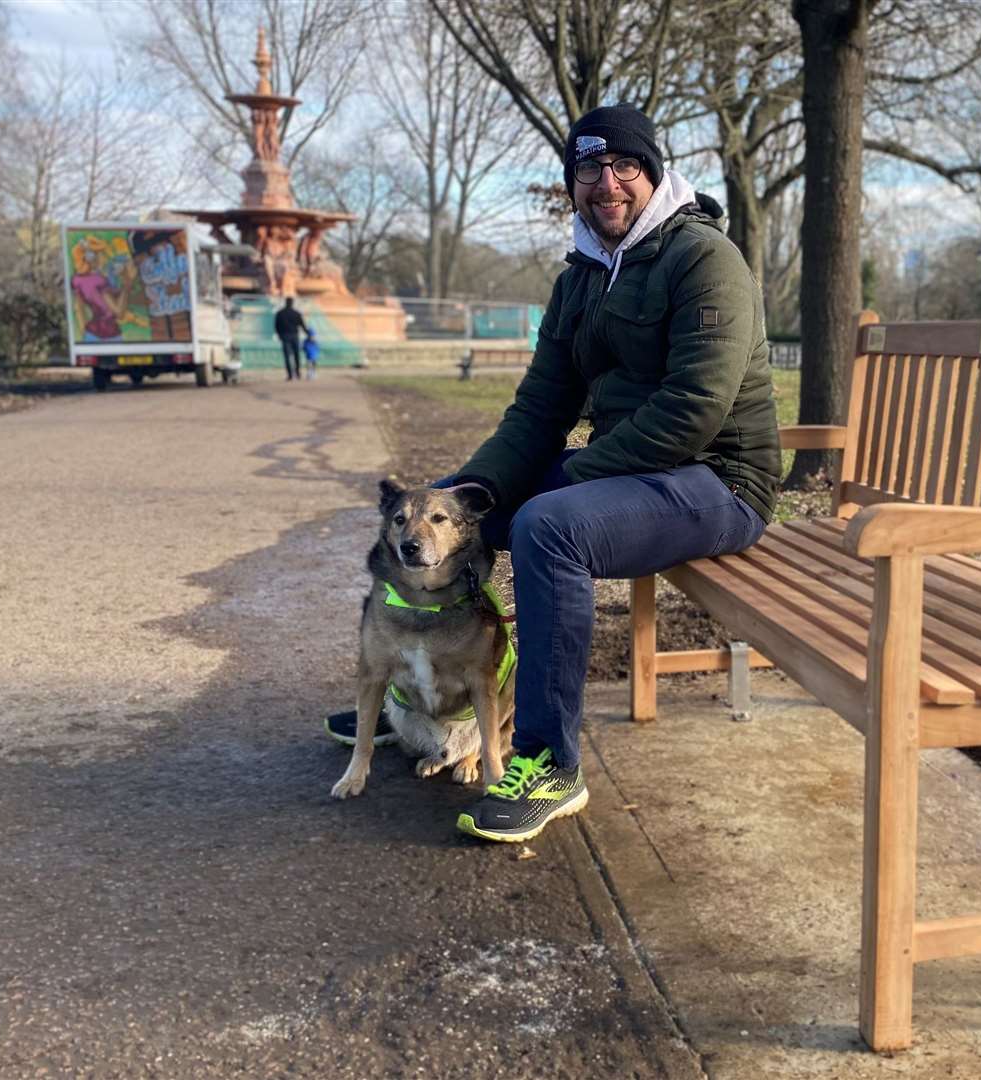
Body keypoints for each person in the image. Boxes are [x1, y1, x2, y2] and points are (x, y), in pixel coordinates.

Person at [328, 104, 780, 844]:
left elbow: (694, 408)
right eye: (588, 169)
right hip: (638, 473)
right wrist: (464, 495)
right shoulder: (581, 276)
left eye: (624, 166)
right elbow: (540, 406)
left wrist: (575, 481)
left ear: (651, 173)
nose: (607, 183)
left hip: (717, 479)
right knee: (448, 517)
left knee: (548, 525)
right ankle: (421, 688)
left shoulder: (703, 258)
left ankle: (547, 762)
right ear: (572, 183)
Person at [274, 298, 308, 380]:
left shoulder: (280, 313)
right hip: (294, 336)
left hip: (285, 336)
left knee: (287, 356)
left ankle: (289, 375)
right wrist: (308, 333)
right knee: (296, 355)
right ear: (292, 303)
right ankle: (297, 373)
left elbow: (276, 326)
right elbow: (302, 325)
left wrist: (279, 335)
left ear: (285, 303)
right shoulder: (296, 313)